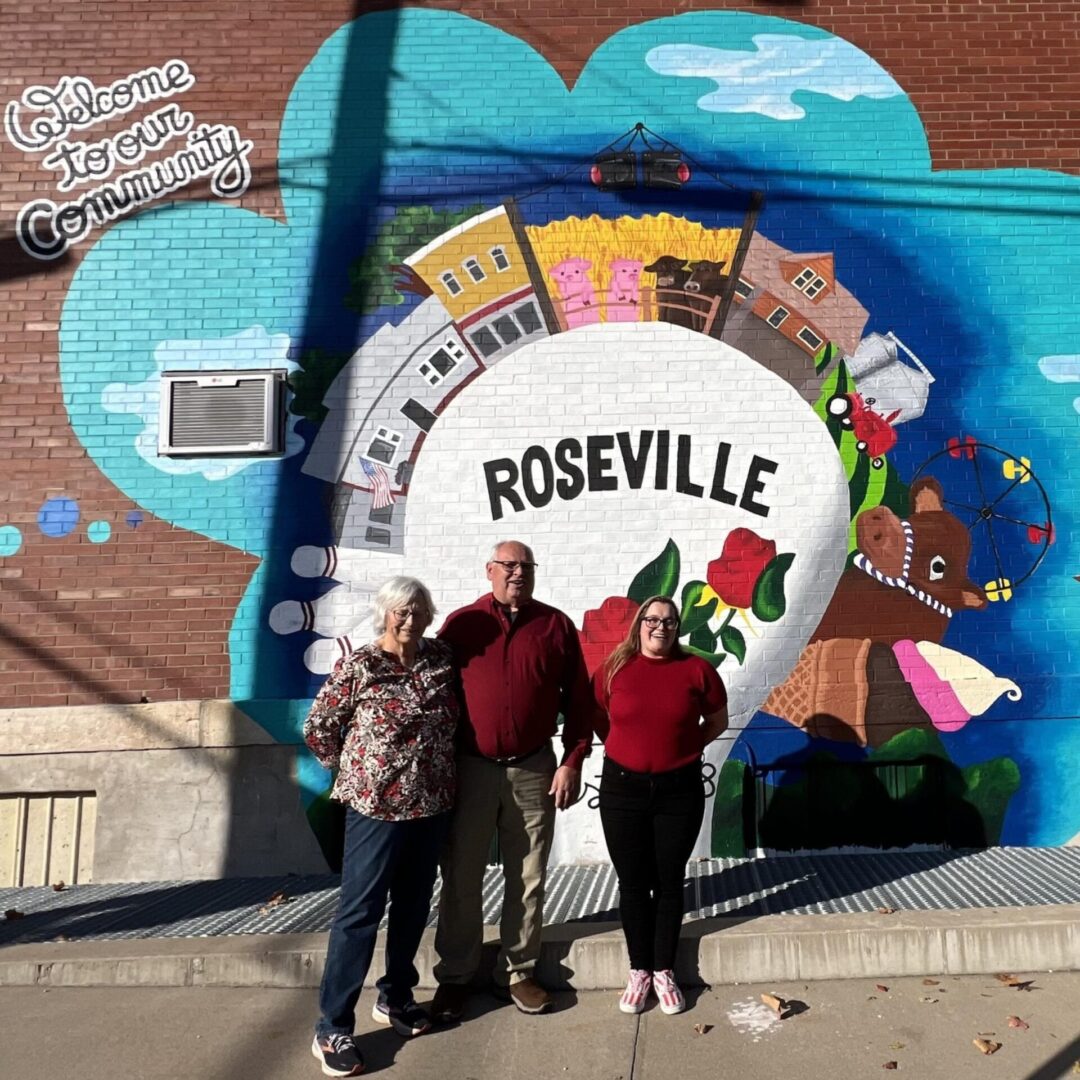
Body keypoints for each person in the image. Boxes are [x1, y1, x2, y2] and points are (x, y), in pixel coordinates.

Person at [304, 576, 458, 1078]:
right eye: (401, 611)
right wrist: (355, 770)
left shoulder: (440, 660)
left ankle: (395, 996)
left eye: (418, 610)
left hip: (430, 803)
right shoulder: (362, 665)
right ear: (385, 614)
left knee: (414, 904)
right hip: (375, 807)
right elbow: (319, 726)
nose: (410, 619)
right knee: (360, 911)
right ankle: (332, 1026)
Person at [431, 540, 593, 1019]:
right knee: (461, 874)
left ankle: (517, 972)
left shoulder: (554, 625)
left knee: (528, 875)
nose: (518, 573)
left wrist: (572, 760)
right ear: (489, 571)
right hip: (471, 768)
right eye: (508, 565)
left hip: (533, 768)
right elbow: (435, 691)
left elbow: (580, 699)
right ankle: (456, 977)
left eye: (525, 566)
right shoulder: (463, 624)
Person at [592, 595, 728, 1016]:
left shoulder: (697, 670)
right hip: (622, 790)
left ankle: (664, 969)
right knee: (633, 882)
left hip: (679, 790)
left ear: (678, 627)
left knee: (669, 881)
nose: (660, 627)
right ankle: (639, 971)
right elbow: (600, 718)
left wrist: (686, 749)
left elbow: (717, 721)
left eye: (669, 621)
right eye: (652, 620)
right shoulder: (614, 669)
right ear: (639, 624)